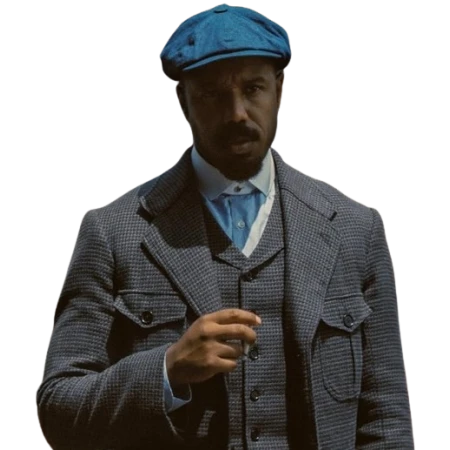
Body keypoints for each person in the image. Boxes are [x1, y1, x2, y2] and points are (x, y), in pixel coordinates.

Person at [36, 3, 414, 449]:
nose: (236, 113)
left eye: (253, 88)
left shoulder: (353, 231)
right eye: (213, 94)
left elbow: (386, 422)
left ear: (279, 89)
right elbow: (57, 409)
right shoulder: (116, 234)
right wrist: (167, 370)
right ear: (183, 101)